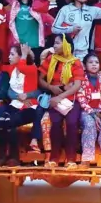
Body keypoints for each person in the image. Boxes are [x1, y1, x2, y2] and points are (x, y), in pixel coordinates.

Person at [0, 44, 43, 167]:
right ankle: (0, 150)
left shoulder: (31, 68)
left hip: (29, 107)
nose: (9, 57)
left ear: (21, 56)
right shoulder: (11, 69)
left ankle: (13, 156)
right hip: (15, 105)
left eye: (12, 54)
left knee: (9, 121)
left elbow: (23, 68)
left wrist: (26, 55)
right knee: (1, 112)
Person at [38, 34, 85, 169]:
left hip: (71, 99)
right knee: (56, 122)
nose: (54, 46)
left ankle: (71, 159)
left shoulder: (75, 62)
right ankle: (54, 158)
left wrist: (60, 96)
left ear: (66, 45)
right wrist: (50, 87)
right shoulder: (50, 59)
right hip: (54, 99)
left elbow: (77, 85)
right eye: (54, 43)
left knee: (71, 123)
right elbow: (40, 79)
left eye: (58, 43)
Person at [76, 53, 101, 169]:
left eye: (96, 62)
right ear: (85, 65)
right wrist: (92, 114)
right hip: (86, 111)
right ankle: (86, 161)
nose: (94, 65)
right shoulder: (81, 79)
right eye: (91, 62)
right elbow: (81, 99)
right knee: (89, 125)